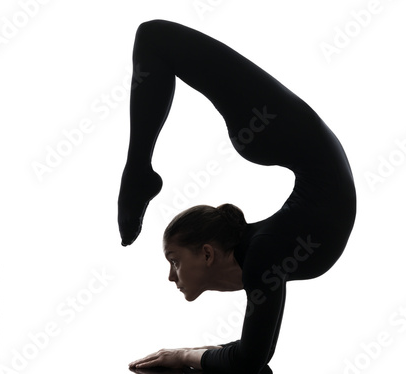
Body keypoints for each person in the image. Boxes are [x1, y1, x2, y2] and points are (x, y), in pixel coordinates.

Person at [119, 19, 357, 374]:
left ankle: (138, 172)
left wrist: (185, 356)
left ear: (208, 251)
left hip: (281, 131)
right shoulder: (264, 254)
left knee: (155, 37)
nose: (172, 276)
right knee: (155, 38)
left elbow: (248, 359)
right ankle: (137, 173)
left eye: (174, 260)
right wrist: (197, 355)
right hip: (289, 137)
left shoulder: (264, 253)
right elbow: (252, 360)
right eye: (172, 262)